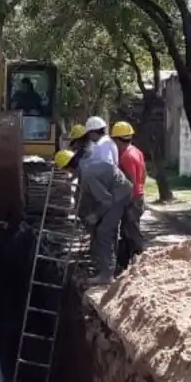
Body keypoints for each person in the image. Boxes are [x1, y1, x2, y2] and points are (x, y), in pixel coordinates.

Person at [54, 147, 133, 286]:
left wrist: (95, 216)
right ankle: (107, 265)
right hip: (113, 190)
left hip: (119, 194)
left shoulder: (87, 175)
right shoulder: (84, 165)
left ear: (69, 167)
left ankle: (106, 275)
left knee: (104, 232)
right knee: (104, 230)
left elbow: (106, 200)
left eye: (66, 171)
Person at [111, 121, 146, 274]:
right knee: (126, 231)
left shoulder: (126, 156)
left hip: (131, 198)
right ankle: (124, 265)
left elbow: (130, 181)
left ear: (118, 140)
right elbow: (143, 175)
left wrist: (125, 199)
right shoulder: (137, 151)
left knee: (132, 232)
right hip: (138, 195)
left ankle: (143, 260)